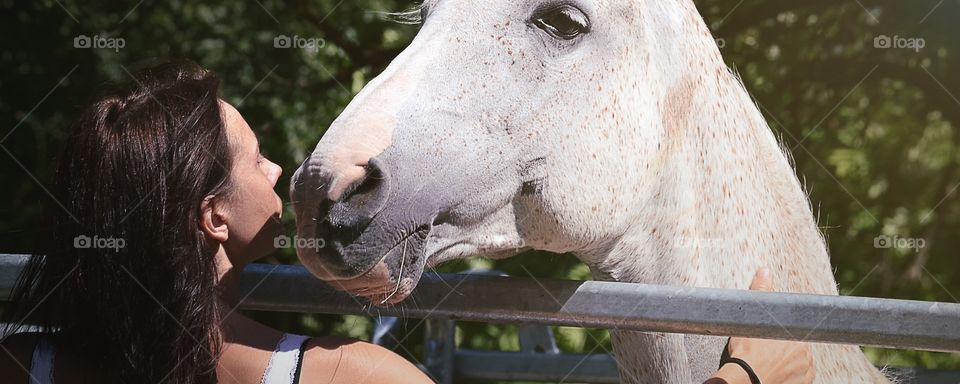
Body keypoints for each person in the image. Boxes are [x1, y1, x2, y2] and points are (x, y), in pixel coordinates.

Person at [0, 62, 813, 383]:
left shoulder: (21, 360)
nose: (279, 171)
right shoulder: (353, 377)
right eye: (253, 159)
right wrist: (745, 379)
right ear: (212, 217)